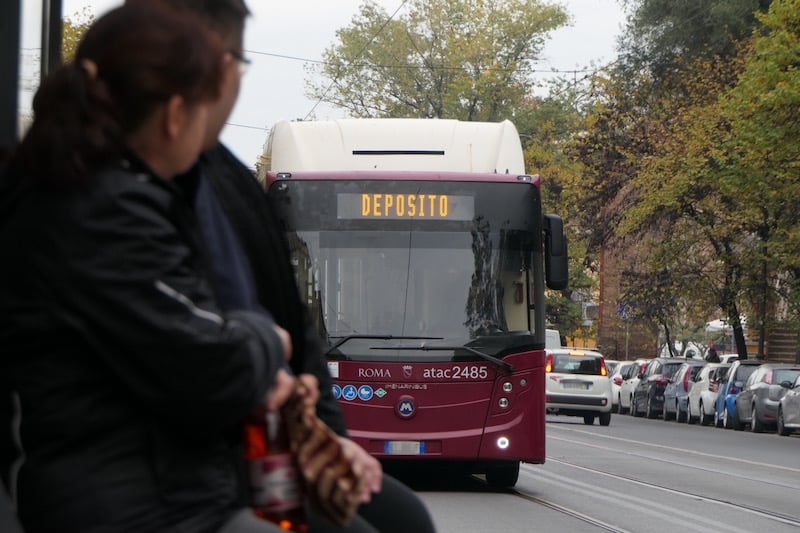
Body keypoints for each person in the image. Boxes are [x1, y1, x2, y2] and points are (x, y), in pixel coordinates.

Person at [0, 3, 300, 532]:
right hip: (137, 503)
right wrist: (268, 339)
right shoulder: (109, 211)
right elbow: (211, 364)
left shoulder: (86, 192)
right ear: (176, 115)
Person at [138, 1, 436, 531]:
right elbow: (191, 341)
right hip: (191, 464)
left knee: (404, 517)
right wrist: (267, 353)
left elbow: (294, 324)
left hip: (243, 439)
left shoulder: (226, 179)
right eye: (236, 62)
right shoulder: (140, 188)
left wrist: (334, 441)